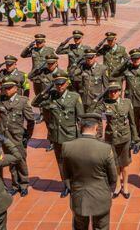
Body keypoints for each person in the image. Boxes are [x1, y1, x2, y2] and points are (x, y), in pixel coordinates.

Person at [31, 69, 84, 197]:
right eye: (57, 84)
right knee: (61, 162)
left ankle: (77, 185)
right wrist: (46, 90)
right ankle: (66, 185)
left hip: (70, 135)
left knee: (73, 161)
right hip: (56, 135)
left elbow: (81, 118)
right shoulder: (51, 96)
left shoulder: (75, 97)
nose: (59, 86)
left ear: (67, 83)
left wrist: (81, 137)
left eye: (62, 83)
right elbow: (34, 103)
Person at [61, 112, 118, 230]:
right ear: (97, 127)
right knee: (101, 227)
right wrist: (110, 190)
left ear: (80, 126)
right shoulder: (105, 148)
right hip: (101, 196)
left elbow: (65, 174)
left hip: (79, 196)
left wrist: (72, 189)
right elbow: (113, 176)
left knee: (80, 226)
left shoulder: (67, 146)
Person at [0, 76, 35, 196]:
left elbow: (31, 120)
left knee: (20, 161)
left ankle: (24, 184)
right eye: (5, 88)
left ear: (16, 88)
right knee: (10, 162)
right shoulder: (2, 99)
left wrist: (28, 135)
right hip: (4, 136)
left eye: (9, 88)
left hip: (17, 137)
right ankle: (15, 185)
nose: (6, 90)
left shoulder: (22, 101)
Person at [95, 82, 138, 199]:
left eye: (115, 91)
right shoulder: (105, 103)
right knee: (115, 164)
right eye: (110, 91)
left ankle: (125, 186)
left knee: (124, 163)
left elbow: (133, 122)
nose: (113, 93)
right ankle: (118, 186)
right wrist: (99, 98)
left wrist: (135, 139)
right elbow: (93, 110)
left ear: (120, 92)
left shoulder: (127, 103)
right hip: (111, 138)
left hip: (124, 138)